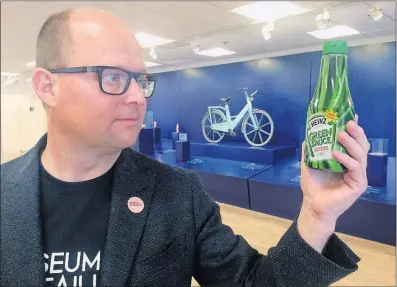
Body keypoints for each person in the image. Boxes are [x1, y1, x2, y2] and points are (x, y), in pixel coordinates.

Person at [1, 8, 370, 287]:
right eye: (113, 77)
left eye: (141, 80)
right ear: (48, 87)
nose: (136, 97)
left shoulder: (178, 194)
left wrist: (317, 216)